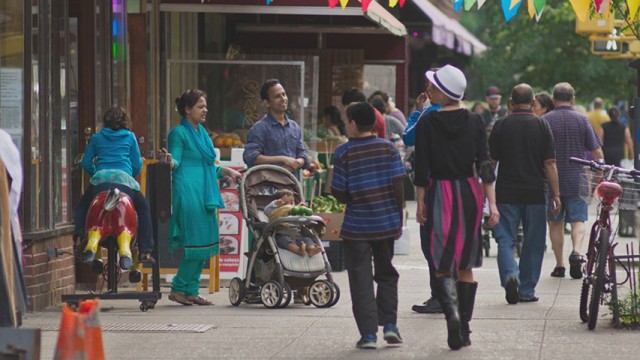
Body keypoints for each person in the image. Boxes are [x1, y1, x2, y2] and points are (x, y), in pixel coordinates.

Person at [414, 65, 499, 350]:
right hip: (469, 192)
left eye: (434, 87)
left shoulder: (427, 122)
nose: (430, 91)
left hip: (439, 192)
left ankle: (450, 314)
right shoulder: (476, 121)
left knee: (441, 259)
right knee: (466, 261)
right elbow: (485, 165)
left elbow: (422, 168)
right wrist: (493, 205)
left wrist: (420, 203)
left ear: (445, 91)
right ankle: (464, 326)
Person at [330, 102, 405, 349]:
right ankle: (391, 326)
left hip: (357, 226)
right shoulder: (388, 148)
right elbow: (398, 185)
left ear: (352, 123)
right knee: (386, 273)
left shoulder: (343, 152)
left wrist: (356, 195)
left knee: (360, 278)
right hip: (385, 222)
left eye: (346, 120)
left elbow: (339, 192)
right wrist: (398, 215)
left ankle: (369, 335)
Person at [162, 89, 242, 306]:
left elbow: (209, 165)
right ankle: (179, 288)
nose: (205, 110)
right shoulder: (178, 134)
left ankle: (191, 291)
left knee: (205, 242)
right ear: (188, 110)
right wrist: (169, 161)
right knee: (195, 242)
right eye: (200, 106)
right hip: (188, 191)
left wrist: (229, 172)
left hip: (205, 193)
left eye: (205, 106)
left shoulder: (203, 133)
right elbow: (176, 161)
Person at [489, 84, 561, 304]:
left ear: (511, 103)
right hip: (535, 193)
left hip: (506, 192)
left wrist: (486, 193)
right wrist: (556, 194)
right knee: (534, 241)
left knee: (505, 239)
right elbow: (549, 163)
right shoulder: (542, 125)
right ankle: (526, 290)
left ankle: (511, 274)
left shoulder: (500, 125)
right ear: (532, 103)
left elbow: (491, 162)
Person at [74, 106, 154, 264]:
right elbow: (137, 164)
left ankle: (80, 236)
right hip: (124, 182)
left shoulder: (96, 138)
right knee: (144, 209)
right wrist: (129, 174)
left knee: (82, 206)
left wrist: (96, 174)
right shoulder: (130, 137)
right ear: (125, 121)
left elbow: (85, 162)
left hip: (101, 182)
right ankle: (145, 249)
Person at [543, 82, 603, 280]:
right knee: (578, 221)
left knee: (555, 223)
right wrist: (599, 174)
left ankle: (560, 265)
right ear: (573, 99)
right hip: (578, 180)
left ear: (553, 99)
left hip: (553, 183)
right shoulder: (582, 120)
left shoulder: (545, 120)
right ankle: (577, 252)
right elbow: (596, 152)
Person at [403, 73, 442, 315]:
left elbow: (409, 137)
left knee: (431, 244)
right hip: (455, 187)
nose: (427, 87)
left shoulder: (429, 114)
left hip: (431, 186)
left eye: (431, 84)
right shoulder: (461, 115)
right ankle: (445, 293)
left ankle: (439, 295)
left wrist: (418, 111)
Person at [243, 79, 310, 173]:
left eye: (284, 94)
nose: (283, 98)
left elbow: (304, 154)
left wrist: (295, 164)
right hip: (268, 185)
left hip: (292, 184)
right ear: (267, 103)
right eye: (277, 96)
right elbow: (250, 156)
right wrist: (282, 159)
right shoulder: (259, 128)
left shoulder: (294, 127)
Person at [263, 189, 321, 257]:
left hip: (298, 236)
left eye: (291, 202)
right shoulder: (275, 213)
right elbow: (266, 211)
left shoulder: (295, 212)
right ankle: (298, 250)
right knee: (284, 241)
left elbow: (304, 222)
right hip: (282, 235)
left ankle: (311, 249)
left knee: (307, 239)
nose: (289, 205)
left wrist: (303, 212)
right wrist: (275, 203)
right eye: (285, 203)